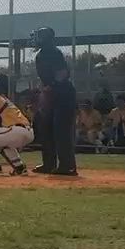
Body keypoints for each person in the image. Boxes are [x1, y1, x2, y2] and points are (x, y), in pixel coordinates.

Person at [30, 27, 77, 175]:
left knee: (61, 130)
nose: (35, 39)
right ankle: (49, 164)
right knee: (46, 129)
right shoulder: (41, 55)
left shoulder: (54, 52)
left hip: (64, 95)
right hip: (52, 95)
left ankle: (68, 166)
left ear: (45, 38)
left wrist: (52, 86)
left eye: (38, 36)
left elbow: (62, 73)